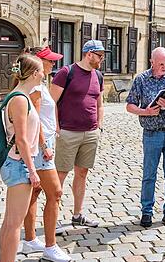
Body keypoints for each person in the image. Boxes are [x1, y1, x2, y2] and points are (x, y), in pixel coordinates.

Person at [125, 47, 165, 228]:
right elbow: (129, 106)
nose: (164, 67)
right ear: (151, 62)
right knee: (149, 174)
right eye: (160, 64)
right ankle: (147, 212)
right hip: (152, 133)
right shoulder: (141, 80)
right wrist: (145, 111)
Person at [21, 47, 71, 262]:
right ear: (39, 63)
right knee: (56, 193)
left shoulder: (39, 85)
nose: (53, 64)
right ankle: (50, 247)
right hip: (41, 147)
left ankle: (30, 239)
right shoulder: (37, 89)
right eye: (49, 61)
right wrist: (44, 145)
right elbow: (36, 119)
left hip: (44, 142)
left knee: (35, 192)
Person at [49, 40, 106, 228]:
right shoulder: (67, 72)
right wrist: (56, 127)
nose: (101, 59)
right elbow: (51, 103)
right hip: (68, 132)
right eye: (99, 55)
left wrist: (99, 126)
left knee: (82, 173)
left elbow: (99, 104)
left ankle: (78, 214)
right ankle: (53, 219)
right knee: (61, 174)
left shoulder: (98, 75)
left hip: (90, 133)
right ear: (88, 54)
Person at [0, 54, 44, 262]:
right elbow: (22, 140)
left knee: (10, 222)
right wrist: (32, 171)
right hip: (18, 164)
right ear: (34, 74)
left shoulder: (19, 96)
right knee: (14, 224)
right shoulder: (19, 100)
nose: (44, 74)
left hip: (16, 163)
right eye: (41, 70)